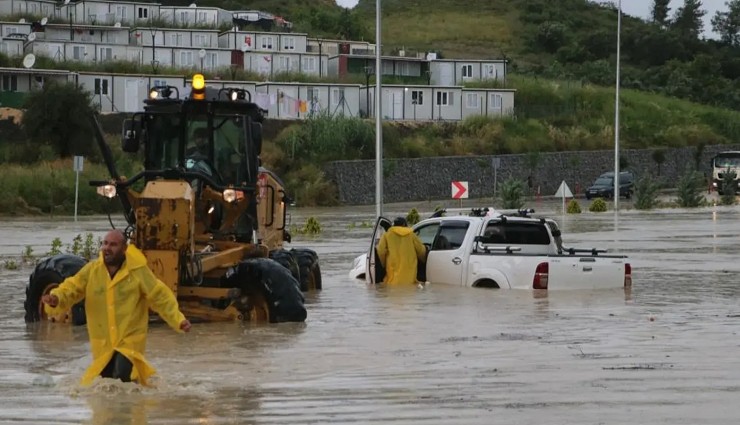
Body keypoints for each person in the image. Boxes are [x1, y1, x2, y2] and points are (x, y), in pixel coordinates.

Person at [41, 230, 191, 386]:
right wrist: (56, 298)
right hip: (103, 344)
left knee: (121, 376)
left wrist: (178, 320)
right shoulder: (92, 270)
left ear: (124, 249)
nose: (107, 248)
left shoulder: (138, 271)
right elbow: (71, 288)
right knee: (107, 383)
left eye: (113, 245)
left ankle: (131, 407)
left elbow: (159, 296)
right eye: (105, 243)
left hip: (129, 341)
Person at [376, 216, 427, 285]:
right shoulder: (412, 235)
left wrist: (383, 264)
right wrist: (424, 260)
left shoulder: (386, 235)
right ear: (404, 225)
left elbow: (381, 252)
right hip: (410, 273)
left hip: (393, 274)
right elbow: (421, 251)